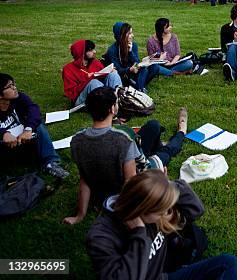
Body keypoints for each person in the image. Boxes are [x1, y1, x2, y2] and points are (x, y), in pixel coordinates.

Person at [64, 87, 188, 225]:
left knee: (154, 126)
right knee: (165, 153)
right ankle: (181, 132)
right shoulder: (123, 139)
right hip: (137, 174)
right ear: (112, 109)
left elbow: (84, 179)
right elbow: (131, 181)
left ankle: (158, 145)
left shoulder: (77, 140)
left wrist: (80, 215)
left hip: (122, 162)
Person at [86, 169, 237, 279]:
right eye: (161, 212)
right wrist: (138, 234)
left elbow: (195, 210)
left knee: (228, 263)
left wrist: (166, 186)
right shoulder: (101, 237)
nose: (167, 213)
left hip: (162, 276)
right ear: (143, 211)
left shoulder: (148, 209)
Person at [0, 74, 69, 179]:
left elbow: (34, 110)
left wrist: (28, 129)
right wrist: (3, 134)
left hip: (23, 140)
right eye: (10, 86)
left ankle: (50, 162)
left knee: (38, 125)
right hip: (5, 148)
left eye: (14, 84)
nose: (14, 87)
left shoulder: (19, 98)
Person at [62, 39, 122, 106]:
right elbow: (72, 94)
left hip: (100, 93)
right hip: (80, 99)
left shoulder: (95, 62)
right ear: (82, 52)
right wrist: (88, 80)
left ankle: (120, 100)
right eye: (91, 50)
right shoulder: (68, 69)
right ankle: (108, 106)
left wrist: (109, 71)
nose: (94, 51)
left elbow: (102, 78)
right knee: (94, 83)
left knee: (113, 75)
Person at [106, 22, 161, 92]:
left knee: (154, 67)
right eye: (129, 33)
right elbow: (118, 70)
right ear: (121, 35)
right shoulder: (112, 50)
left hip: (135, 73)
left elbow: (137, 62)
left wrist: (130, 52)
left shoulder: (133, 45)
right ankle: (140, 88)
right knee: (143, 71)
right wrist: (129, 70)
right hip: (124, 76)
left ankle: (138, 86)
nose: (132, 35)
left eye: (132, 33)